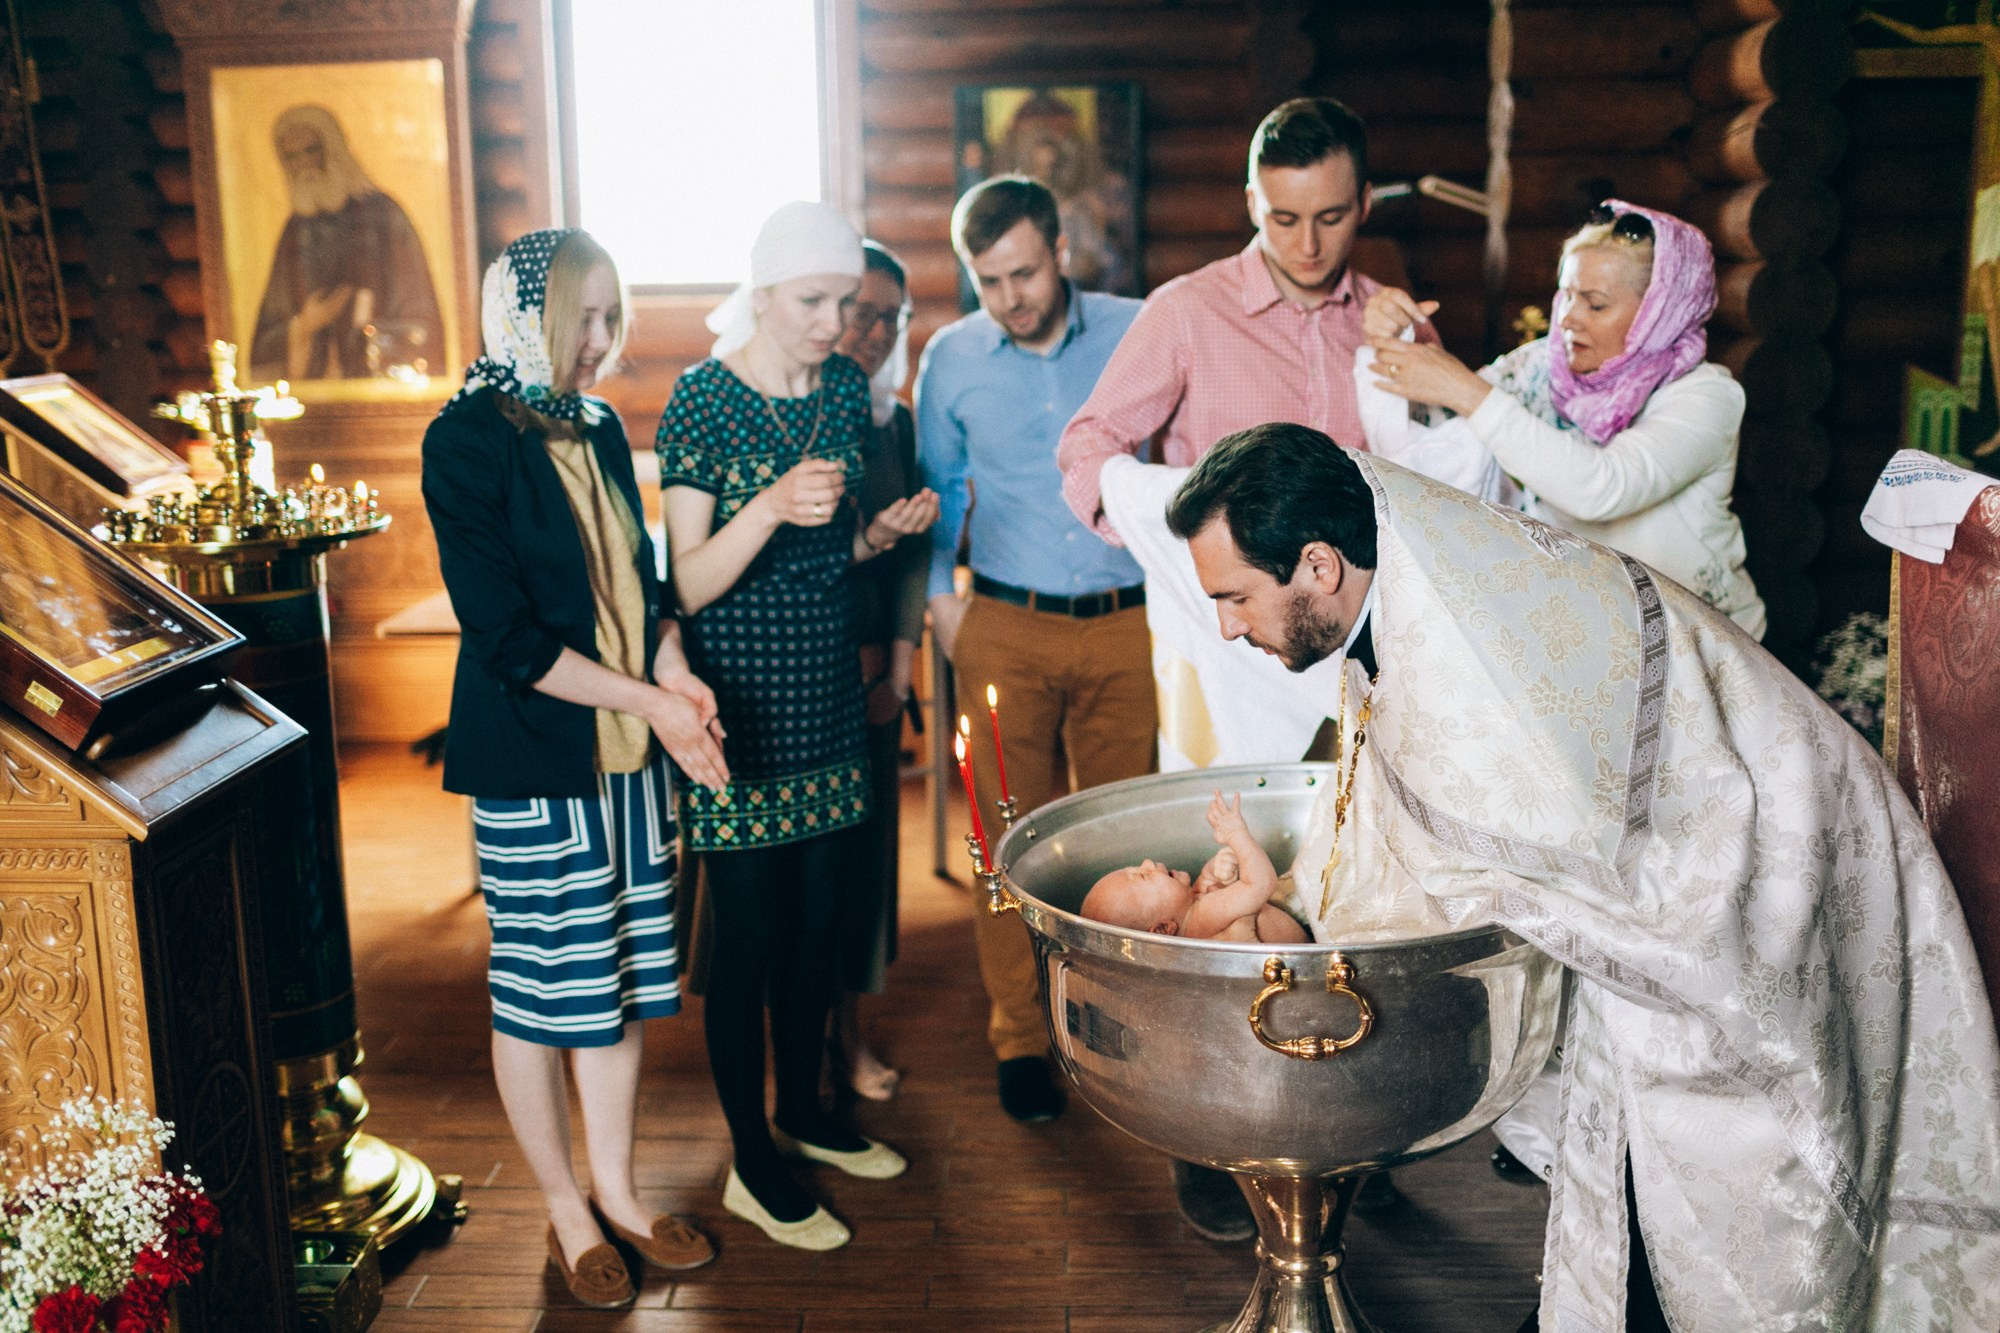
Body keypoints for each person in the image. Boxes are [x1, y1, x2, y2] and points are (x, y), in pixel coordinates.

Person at [1166, 424, 2000, 1332]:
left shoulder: (1473, 633)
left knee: (1738, 1191)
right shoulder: (1402, 570)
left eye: (1236, 596)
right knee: (1633, 1176)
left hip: (1767, 872)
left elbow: (1542, 844)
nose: (1226, 625)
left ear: (1319, 566)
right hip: (1679, 883)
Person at [422, 229, 723, 1308]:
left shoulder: (593, 425)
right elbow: (504, 637)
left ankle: (621, 1193)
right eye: (580, 321)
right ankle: (562, 1208)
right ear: (526, 317)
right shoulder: (462, 441)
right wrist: (650, 699)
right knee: (544, 994)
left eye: (610, 318)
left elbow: (638, 586)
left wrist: (673, 669)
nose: (601, 343)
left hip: (628, 759)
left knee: (623, 988)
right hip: (537, 765)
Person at [656, 201, 933, 1252]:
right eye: (814, 302)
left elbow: (826, 558)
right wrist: (768, 505)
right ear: (763, 292)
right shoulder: (701, 400)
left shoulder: (843, 397)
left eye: (846, 304)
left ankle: (807, 1111)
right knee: (753, 940)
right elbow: (689, 576)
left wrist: (875, 533)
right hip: (738, 708)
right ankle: (750, 1158)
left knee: (821, 927)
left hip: (823, 695)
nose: (833, 323)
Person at [917, 175, 1156, 1126]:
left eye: (1023, 271)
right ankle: (1019, 1034)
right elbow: (940, 487)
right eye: (988, 281)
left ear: (1060, 249)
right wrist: (943, 606)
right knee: (1000, 836)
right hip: (1004, 623)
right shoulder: (951, 356)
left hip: (1127, 619)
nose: (1010, 296)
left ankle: (1108, 1025)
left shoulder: (1138, 327)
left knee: (1123, 844)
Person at [1362, 199, 1766, 637]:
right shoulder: (1543, 367)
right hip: (1595, 640)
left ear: (1659, 313)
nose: (1569, 318)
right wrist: (1393, 338)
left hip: (1702, 644)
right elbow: (1445, 438)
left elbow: (1604, 487)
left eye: (1594, 305)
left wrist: (1468, 391)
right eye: (1566, 294)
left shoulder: (1706, 396)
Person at [829, 240, 932, 1102]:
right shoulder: (787, 409)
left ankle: (848, 1032)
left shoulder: (893, 420)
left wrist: (899, 669)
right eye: (858, 311)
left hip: (876, 675)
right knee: (808, 874)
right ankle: (797, 1041)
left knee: (865, 870)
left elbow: (909, 562)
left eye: (888, 319)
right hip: (800, 677)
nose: (870, 331)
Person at [251, 104, 445, 384]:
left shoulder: (383, 215)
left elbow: (421, 316)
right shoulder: (296, 230)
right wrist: (302, 327)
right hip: (314, 389)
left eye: (311, 150)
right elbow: (267, 336)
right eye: (291, 156)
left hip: (378, 382)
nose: (303, 164)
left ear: (333, 149)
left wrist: (367, 332)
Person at [1082, 792, 1309, 943]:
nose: (1148, 863)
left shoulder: (1191, 916)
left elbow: (1208, 885)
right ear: (1163, 928)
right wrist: (1237, 836)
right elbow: (1261, 883)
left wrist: (1214, 872)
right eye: (1144, 876)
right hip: (1309, 945)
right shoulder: (1205, 915)